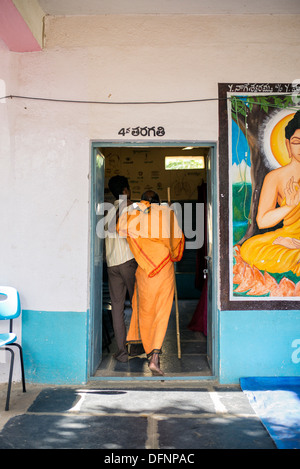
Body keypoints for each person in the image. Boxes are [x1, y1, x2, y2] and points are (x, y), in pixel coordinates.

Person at [117, 190, 185, 375]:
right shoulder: (167, 213)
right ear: (159, 201)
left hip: (145, 270)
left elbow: (121, 228)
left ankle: (149, 354)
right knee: (161, 312)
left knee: (145, 312)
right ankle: (155, 357)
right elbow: (177, 243)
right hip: (165, 268)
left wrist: (138, 207)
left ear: (144, 201)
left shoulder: (136, 213)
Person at [239, 110, 300, 276]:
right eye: (297, 142)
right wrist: (289, 207)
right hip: (288, 236)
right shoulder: (276, 177)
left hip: (293, 244)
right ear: (288, 145)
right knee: (250, 249)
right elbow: (263, 220)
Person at [105, 175, 138, 362]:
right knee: (138, 304)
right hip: (128, 262)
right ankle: (138, 345)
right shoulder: (131, 207)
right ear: (126, 190)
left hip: (112, 265)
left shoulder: (108, 211)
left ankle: (122, 352)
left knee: (117, 307)